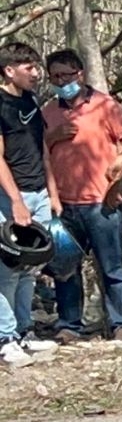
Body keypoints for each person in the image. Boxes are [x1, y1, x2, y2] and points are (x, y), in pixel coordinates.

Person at [40, 48, 122, 343]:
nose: (61, 81)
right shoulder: (48, 112)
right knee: (65, 268)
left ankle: (121, 322)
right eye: (55, 76)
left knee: (112, 266)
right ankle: (69, 324)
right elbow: (36, 151)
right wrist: (53, 137)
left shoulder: (105, 106)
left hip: (101, 201)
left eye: (66, 75)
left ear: (80, 74)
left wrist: (117, 186)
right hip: (63, 203)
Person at [0, 42, 60, 367]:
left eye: (36, 67)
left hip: (39, 193)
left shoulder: (31, 101)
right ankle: (5, 337)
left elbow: (42, 148)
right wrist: (15, 200)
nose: (36, 73)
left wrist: (52, 192)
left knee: (30, 270)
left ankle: (24, 331)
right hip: (11, 196)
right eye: (29, 68)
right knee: (7, 270)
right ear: (9, 70)